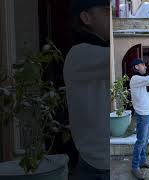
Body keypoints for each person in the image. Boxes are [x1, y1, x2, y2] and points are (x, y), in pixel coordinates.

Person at [63, 0, 110, 179]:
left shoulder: (97, 50)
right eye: (106, 11)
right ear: (86, 17)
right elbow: (124, 58)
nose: (112, 16)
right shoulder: (80, 54)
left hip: (101, 162)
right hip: (99, 167)